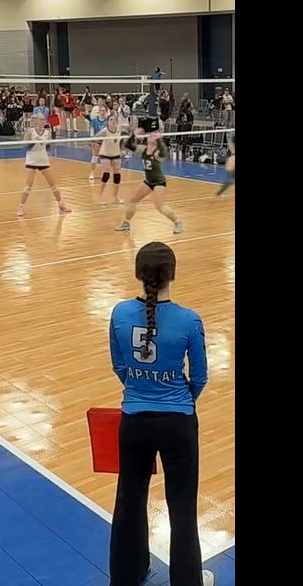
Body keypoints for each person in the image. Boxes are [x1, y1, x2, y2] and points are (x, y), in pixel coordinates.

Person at [108, 242, 212, 586]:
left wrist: (141, 388)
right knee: (182, 509)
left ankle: (127, 576)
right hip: (177, 424)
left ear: (139, 274)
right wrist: (179, 400)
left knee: (129, 501)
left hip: (134, 422)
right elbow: (199, 377)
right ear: (172, 274)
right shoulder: (189, 319)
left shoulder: (120, 314)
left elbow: (119, 366)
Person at [116, 129, 183, 234]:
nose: (149, 137)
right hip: (148, 181)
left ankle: (177, 222)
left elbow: (164, 153)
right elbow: (128, 145)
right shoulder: (143, 149)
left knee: (160, 206)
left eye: (152, 136)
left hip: (159, 182)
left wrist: (160, 140)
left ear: (156, 141)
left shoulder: (157, 152)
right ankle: (126, 223)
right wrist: (134, 135)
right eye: (150, 135)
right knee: (132, 201)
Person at [16, 114, 72, 217]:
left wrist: (46, 144)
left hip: (43, 161)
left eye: (43, 119)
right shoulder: (30, 132)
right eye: (40, 119)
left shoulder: (47, 132)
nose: (43, 121)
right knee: (28, 186)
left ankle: (61, 204)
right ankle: (21, 207)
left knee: (53, 185)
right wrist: (33, 142)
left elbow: (48, 147)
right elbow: (25, 146)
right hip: (32, 161)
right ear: (36, 121)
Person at [96, 115, 125, 204]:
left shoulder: (120, 130)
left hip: (116, 154)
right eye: (111, 120)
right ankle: (100, 196)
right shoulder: (105, 131)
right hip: (105, 154)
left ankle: (115, 197)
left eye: (115, 120)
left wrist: (122, 149)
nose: (113, 121)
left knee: (117, 175)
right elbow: (95, 138)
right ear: (108, 122)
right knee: (106, 174)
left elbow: (126, 138)